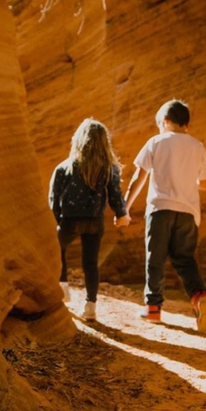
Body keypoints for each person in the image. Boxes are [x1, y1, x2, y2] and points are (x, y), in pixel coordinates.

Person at [123, 99, 206, 332]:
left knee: (155, 258)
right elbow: (205, 185)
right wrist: (186, 180)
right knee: (185, 259)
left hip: (160, 209)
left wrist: (124, 208)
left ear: (164, 122)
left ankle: (153, 308)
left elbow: (139, 177)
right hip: (188, 213)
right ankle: (199, 296)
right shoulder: (197, 146)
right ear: (186, 124)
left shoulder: (155, 142)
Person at [49, 118, 131, 321]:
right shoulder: (108, 168)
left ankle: (63, 286)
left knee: (57, 249)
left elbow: (54, 199)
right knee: (91, 263)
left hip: (69, 220)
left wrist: (55, 221)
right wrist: (121, 214)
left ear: (78, 141)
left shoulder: (64, 168)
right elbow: (115, 195)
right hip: (95, 221)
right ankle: (91, 306)